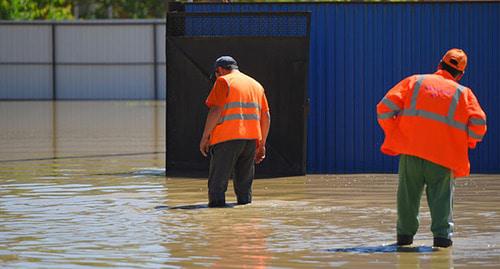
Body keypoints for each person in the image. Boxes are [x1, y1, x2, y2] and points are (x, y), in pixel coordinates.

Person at [376, 49, 487, 247]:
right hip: (443, 159)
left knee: (407, 200)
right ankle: (442, 243)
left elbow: (384, 108)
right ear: (460, 74)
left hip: (411, 155)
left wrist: (395, 133)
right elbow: (479, 125)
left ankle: (404, 240)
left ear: (439, 64)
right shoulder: (464, 94)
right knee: (442, 203)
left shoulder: (414, 82)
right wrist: (466, 142)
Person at [199, 56, 271, 208]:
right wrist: (262, 143)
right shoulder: (256, 85)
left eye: (216, 73)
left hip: (227, 139)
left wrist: (205, 137)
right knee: (244, 187)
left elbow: (216, 109)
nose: (217, 77)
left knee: (217, 184)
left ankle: (218, 220)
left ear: (220, 70)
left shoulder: (224, 81)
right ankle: (245, 219)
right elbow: (266, 116)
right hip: (251, 140)